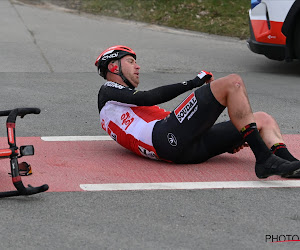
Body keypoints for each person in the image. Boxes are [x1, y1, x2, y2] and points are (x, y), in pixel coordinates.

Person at [95, 45, 300, 179]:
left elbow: (167, 117)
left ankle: (291, 164)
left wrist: (229, 141)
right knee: (231, 83)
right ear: (113, 67)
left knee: (262, 119)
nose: (138, 67)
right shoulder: (107, 91)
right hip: (164, 138)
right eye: (130, 62)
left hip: (185, 147)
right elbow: (148, 97)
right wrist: (192, 83)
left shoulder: (126, 107)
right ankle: (264, 159)